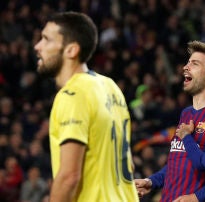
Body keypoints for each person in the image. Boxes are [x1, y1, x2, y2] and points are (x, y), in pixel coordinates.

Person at [34, 11, 138, 201]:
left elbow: (69, 177)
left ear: (71, 50)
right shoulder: (110, 86)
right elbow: (129, 164)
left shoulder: (72, 94)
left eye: (46, 39)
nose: (37, 46)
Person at [135, 41, 205, 201]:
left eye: (194, 64)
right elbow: (177, 162)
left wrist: (199, 197)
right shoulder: (186, 113)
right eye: (188, 62)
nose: (185, 67)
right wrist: (151, 181)